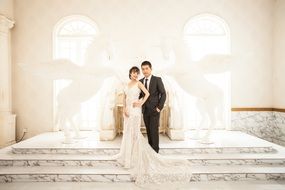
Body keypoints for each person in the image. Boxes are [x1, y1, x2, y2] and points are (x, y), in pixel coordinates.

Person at [113, 64, 192, 186]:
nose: (144, 71)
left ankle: (154, 156)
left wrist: (159, 108)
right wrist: (132, 105)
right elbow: (136, 95)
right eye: (142, 69)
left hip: (154, 110)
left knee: (153, 133)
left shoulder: (157, 79)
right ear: (130, 73)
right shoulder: (139, 81)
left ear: (150, 69)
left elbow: (162, 94)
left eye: (145, 69)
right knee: (146, 133)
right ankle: (139, 155)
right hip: (141, 111)